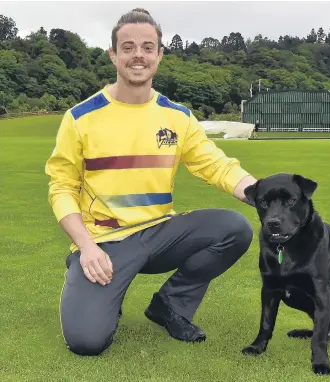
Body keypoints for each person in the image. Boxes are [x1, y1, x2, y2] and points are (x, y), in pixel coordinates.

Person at [45, 8, 257, 356]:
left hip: (160, 235)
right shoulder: (81, 118)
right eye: (127, 47)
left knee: (233, 228)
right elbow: (62, 187)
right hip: (105, 243)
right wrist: (85, 246)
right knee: (86, 341)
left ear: (159, 55)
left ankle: (170, 306)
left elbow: (215, 165)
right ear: (113, 54)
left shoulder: (178, 117)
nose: (138, 55)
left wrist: (261, 192)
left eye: (147, 47)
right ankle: (102, 294)